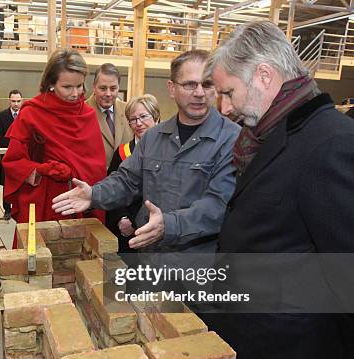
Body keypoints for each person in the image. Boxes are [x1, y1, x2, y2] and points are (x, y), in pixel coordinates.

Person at [201, 21, 354, 359]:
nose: (226, 107)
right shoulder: (270, 137)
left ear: (264, 75)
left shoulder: (330, 142)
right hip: (254, 355)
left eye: (229, 92)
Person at [53, 50, 240, 257]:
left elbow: (219, 205)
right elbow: (126, 180)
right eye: (189, 84)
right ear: (171, 88)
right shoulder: (154, 138)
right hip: (150, 260)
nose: (199, 93)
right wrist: (94, 194)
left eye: (207, 84)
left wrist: (168, 225)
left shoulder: (233, 139)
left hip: (200, 266)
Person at [2, 48, 106, 229]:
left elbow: (96, 167)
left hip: (80, 204)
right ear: (50, 83)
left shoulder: (88, 114)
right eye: (67, 87)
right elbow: (13, 162)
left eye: (79, 86)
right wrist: (42, 169)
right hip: (44, 204)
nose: (75, 93)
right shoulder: (31, 113)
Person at [105, 94, 160, 254]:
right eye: (133, 119)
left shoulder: (171, 151)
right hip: (128, 230)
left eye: (143, 116)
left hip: (160, 228)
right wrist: (122, 218)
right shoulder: (122, 153)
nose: (138, 123)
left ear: (156, 117)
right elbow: (112, 191)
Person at [86, 63, 134, 167]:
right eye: (103, 88)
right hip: (95, 181)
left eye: (113, 89)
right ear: (94, 87)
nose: (108, 94)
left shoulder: (129, 111)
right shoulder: (82, 112)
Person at [0, 89, 23, 220]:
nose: (16, 104)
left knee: (22, 182)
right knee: (7, 183)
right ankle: (7, 210)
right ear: (9, 101)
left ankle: (21, 207)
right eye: (13, 101)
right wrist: (14, 145)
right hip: (7, 154)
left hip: (22, 156)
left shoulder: (26, 115)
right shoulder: (1, 116)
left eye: (18, 101)